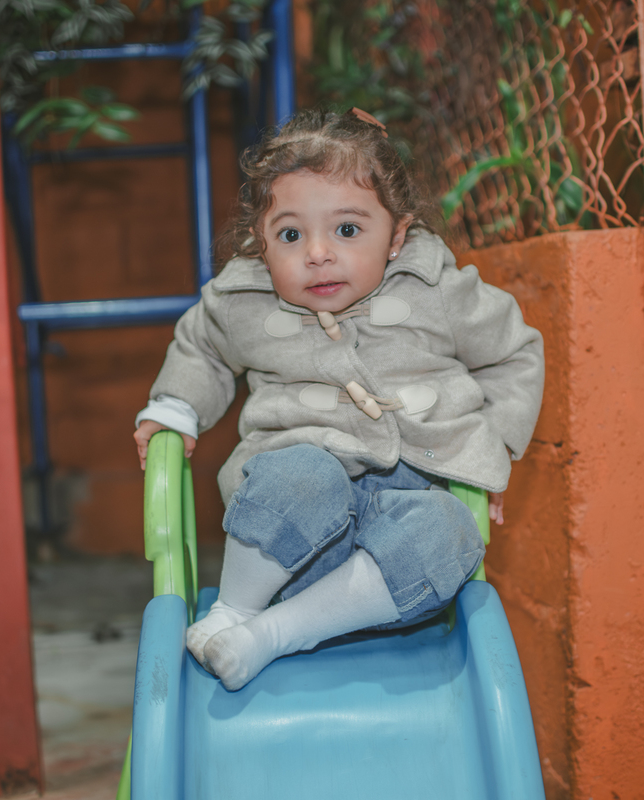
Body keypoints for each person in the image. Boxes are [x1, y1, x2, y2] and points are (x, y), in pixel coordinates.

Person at [133, 107, 544, 691]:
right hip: (287, 550)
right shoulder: (245, 299)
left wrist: (493, 447)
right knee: (301, 472)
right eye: (290, 235)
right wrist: (176, 408)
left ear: (397, 236)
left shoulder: (436, 289)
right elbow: (202, 347)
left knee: (452, 532)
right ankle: (235, 612)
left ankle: (274, 635)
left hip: (390, 556)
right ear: (260, 242)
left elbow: (513, 352)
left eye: (347, 230)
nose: (318, 253)